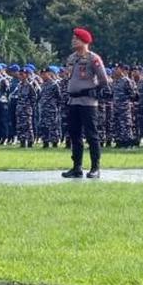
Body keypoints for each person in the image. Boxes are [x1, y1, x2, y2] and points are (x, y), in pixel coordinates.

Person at [62, 27, 110, 179]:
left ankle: (95, 167)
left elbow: (103, 80)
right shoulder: (71, 58)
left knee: (91, 135)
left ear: (84, 41)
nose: (73, 41)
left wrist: (94, 91)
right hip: (73, 101)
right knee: (74, 135)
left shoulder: (93, 58)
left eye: (76, 39)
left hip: (88, 102)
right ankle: (77, 167)